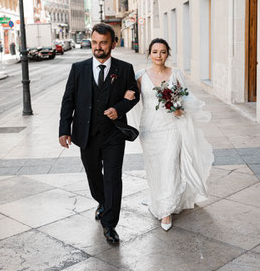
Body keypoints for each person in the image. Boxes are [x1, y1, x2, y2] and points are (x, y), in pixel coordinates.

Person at [59, 23, 140, 244]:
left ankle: (109, 224)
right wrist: (64, 130)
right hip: (86, 134)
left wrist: (119, 108)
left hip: (113, 134)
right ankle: (102, 202)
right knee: (94, 176)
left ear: (113, 43)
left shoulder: (124, 69)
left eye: (103, 43)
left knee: (113, 178)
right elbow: (68, 101)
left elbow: (134, 94)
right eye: (95, 42)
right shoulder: (78, 69)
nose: (98, 47)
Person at [126, 38, 214, 231]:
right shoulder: (140, 76)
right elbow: (131, 100)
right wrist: (127, 96)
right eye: (155, 51)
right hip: (149, 128)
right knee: (155, 166)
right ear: (149, 53)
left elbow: (185, 97)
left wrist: (178, 107)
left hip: (172, 127)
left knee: (170, 165)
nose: (159, 55)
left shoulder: (175, 74)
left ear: (168, 54)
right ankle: (158, 197)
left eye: (163, 51)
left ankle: (166, 210)